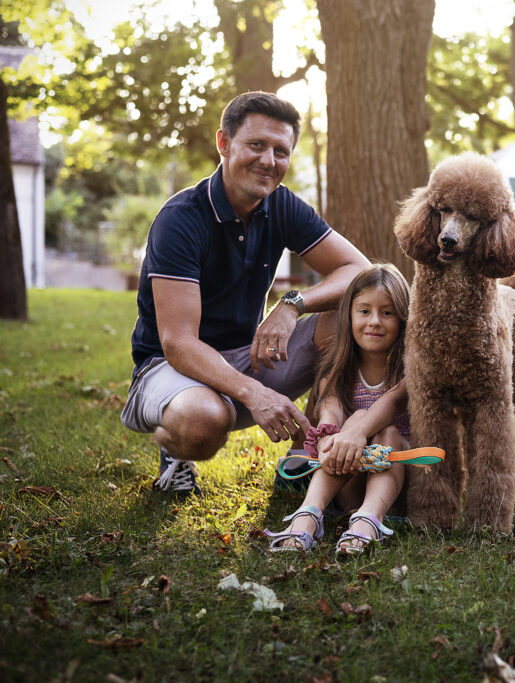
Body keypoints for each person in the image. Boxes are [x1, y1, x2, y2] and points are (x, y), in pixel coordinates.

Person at [121, 91, 373, 496]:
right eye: (256, 145)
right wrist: (255, 393)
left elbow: (361, 271)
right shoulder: (181, 219)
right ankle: (173, 450)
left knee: (351, 318)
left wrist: (291, 305)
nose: (268, 161)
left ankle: (304, 457)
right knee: (202, 422)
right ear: (224, 143)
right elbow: (178, 343)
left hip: (247, 354)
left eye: (280, 151)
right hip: (171, 367)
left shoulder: (282, 205)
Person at [264, 264, 411, 553]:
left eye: (387, 313)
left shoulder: (410, 370)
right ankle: (308, 516)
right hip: (348, 481)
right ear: (349, 315)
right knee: (345, 427)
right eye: (364, 311)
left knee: (382, 430)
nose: (375, 321)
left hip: (396, 484)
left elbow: (390, 403)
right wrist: (328, 439)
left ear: (403, 318)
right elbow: (329, 412)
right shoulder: (337, 370)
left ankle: (369, 520)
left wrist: (356, 432)